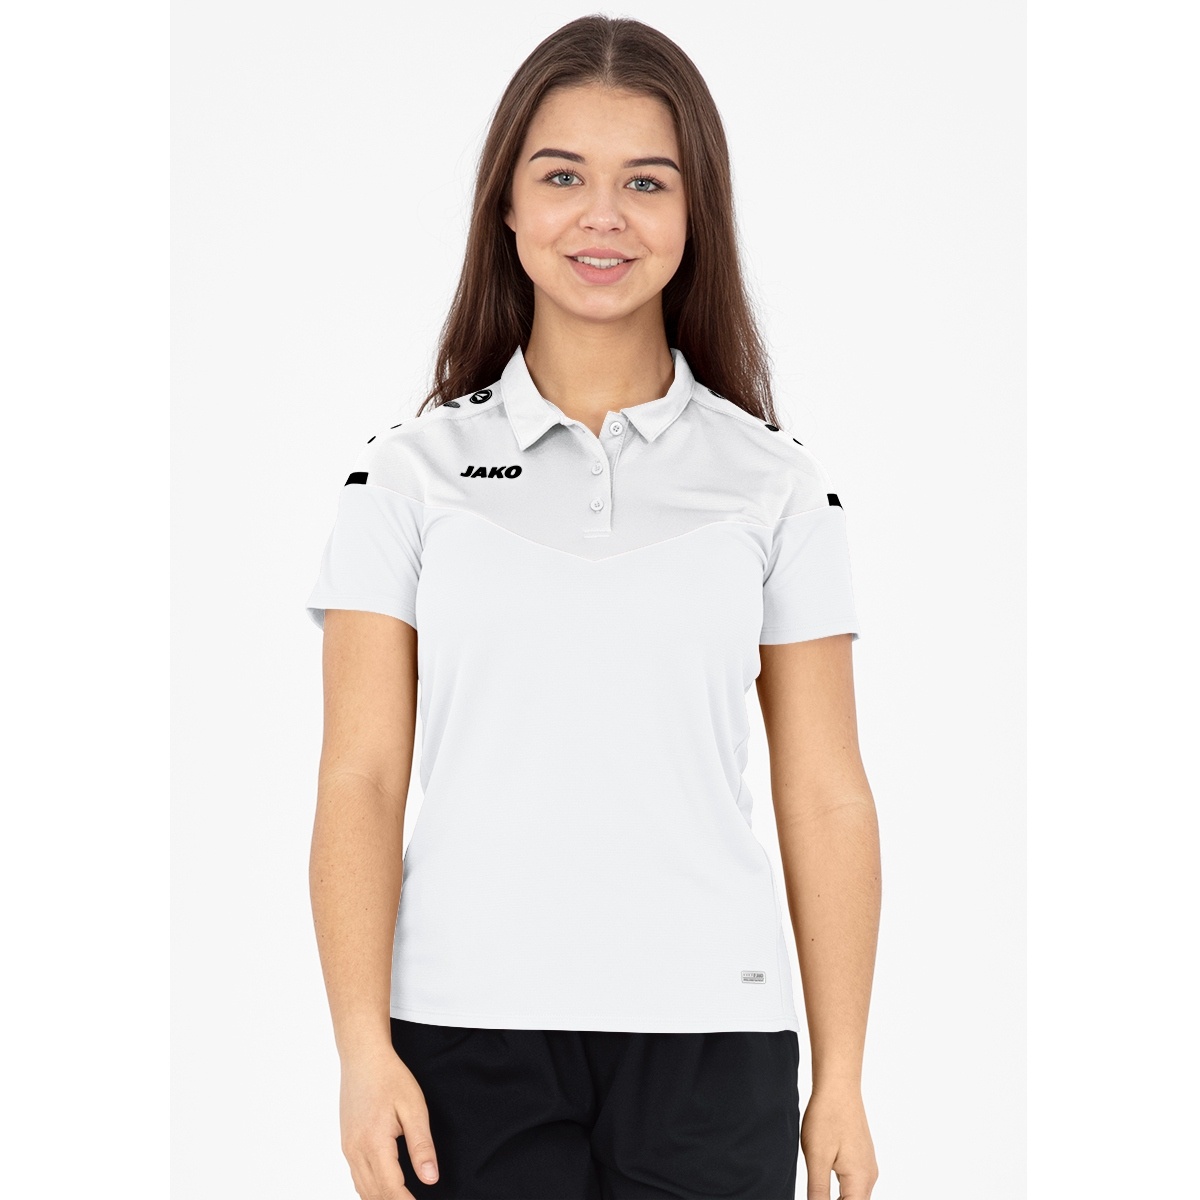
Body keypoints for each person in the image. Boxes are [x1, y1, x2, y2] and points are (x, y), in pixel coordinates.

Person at [305, 14, 881, 1200]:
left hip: (716, 1038)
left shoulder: (778, 486)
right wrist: (363, 1049)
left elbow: (826, 790)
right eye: (563, 177)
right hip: (462, 1039)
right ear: (507, 209)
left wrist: (843, 1076)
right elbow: (359, 777)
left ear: (695, 215)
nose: (602, 217)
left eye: (646, 182)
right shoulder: (403, 478)